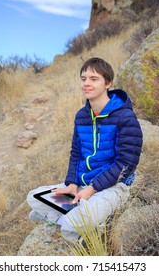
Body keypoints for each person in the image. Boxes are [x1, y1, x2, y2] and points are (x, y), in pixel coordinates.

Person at [27, 57, 143, 240]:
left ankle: (69, 220)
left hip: (113, 187)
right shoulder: (81, 116)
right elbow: (76, 153)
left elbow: (127, 163)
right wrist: (72, 184)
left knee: (72, 224)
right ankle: (74, 215)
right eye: (83, 79)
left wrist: (92, 189)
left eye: (93, 79)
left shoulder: (125, 117)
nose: (86, 84)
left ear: (108, 83)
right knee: (33, 197)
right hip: (82, 185)